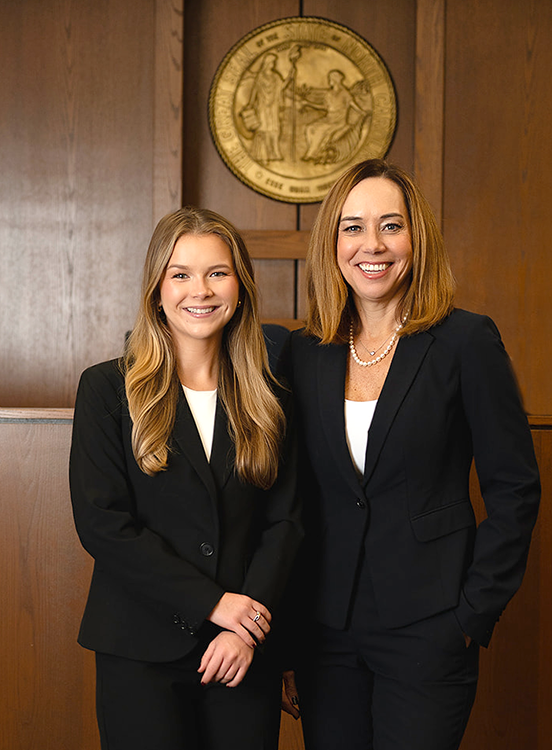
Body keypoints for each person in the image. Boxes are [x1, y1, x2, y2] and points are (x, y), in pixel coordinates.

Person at [279, 159, 541, 750]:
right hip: (326, 634)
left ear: (415, 239)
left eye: (390, 226)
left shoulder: (466, 341)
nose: (372, 244)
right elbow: (293, 502)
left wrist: (472, 614)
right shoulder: (305, 352)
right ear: (333, 243)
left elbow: (514, 487)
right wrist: (288, 640)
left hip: (432, 626)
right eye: (353, 227)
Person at [69, 207, 302, 750]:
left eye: (218, 273)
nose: (200, 290)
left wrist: (246, 628)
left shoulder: (272, 396)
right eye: (181, 273)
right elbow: (104, 526)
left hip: (243, 652)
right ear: (157, 289)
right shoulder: (106, 389)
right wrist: (214, 605)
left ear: (240, 286)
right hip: (139, 651)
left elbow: (287, 523)